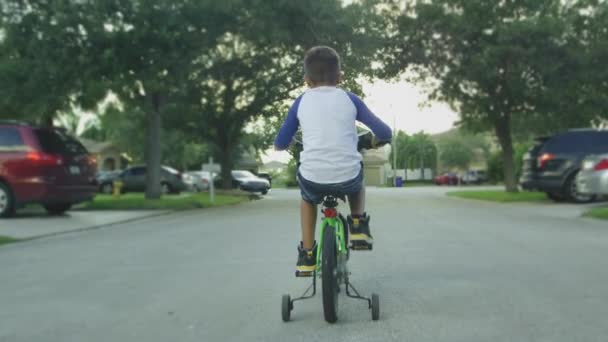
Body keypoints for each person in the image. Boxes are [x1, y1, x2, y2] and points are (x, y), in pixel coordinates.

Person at [274, 46, 392, 274]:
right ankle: (357, 224)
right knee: (356, 173)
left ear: (307, 80)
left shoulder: (300, 102)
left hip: (313, 179)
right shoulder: (351, 99)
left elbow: (280, 142)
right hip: (347, 179)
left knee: (307, 199)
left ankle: (307, 255)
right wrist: (376, 140)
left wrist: (286, 144)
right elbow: (384, 131)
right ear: (340, 77)